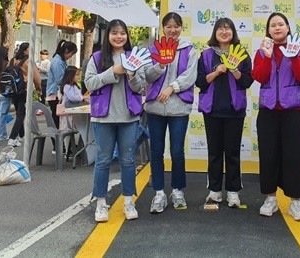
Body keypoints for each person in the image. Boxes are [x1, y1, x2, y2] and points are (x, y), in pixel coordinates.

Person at [251, 12, 300, 221]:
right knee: (268, 156)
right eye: (273, 25)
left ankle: (295, 202)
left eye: (281, 24)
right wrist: (267, 56)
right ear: (268, 30)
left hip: (293, 111)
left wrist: (294, 56)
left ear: (287, 27)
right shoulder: (261, 52)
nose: (277, 28)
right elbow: (258, 76)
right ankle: (270, 199)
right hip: (268, 111)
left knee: (294, 156)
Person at [84, 19, 146, 223]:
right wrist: (112, 72)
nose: (119, 37)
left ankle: (129, 200)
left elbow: (141, 88)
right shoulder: (97, 57)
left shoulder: (134, 58)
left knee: (128, 160)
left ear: (127, 36)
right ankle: (101, 203)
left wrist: (131, 75)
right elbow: (90, 83)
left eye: (122, 33)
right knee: (103, 161)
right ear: (108, 35)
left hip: (129, 117)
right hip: (103, 117)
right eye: (114, 33)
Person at [196, 18, 254, 208]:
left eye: (228, 28)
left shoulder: (242, 54)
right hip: (212, 110)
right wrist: (217, 71)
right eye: (220, 28)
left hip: (234, 110)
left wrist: (234, 70)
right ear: (215, 32)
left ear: (233, 32)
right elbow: (200, 82)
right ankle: (214, 191)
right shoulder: (206, 55)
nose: (224, 31)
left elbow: (247, 82)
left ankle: (233, 191)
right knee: (214, 153)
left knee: (232, 152)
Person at [143, 12, 198, 214]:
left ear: (181, 28)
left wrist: (171, 88)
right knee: (156, 152)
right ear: (163, 28)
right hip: (155, 109)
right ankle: (159, 193)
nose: (172, 30)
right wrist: (160, 65)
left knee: (177, 152)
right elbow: (147, 76)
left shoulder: (189, 50)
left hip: (178, 108)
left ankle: (177, 190)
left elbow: (190, 76)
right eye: (168, 26)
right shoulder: (152, 50)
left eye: (176, 26)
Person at [7, 43, 42, 147]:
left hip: (14, 89)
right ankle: (12, 138)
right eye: (29, 49)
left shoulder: (13, 60)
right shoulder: (29, 61)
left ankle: (21, 136)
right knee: (21, 114)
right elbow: (36, 77)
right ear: (24, 51)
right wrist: (39, 88)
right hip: (24, 89)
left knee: (19, 112)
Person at [46, 40, 78, 140]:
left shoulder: (60, 61)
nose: (71, 56)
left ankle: (62, 145)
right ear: (66, 50)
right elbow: (60, 80)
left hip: (57, 93)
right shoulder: (57, 62)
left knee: (59, 121)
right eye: (71, 54)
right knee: (57, 121)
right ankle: (58, 146)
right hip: (55, 94)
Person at [59, 65, 87, 158]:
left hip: (74, 112)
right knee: (67, 131)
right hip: (67, 113)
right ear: (70, 76)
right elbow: (73, 98)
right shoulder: (67, 86)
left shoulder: (74, 86)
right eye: (77, 75)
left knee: (75, 130)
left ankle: (75, 149)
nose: (78, 76)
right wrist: (82, 98)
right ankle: (68, 151)